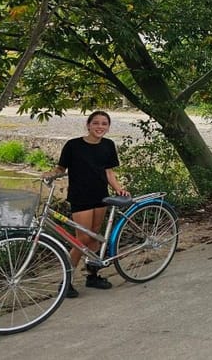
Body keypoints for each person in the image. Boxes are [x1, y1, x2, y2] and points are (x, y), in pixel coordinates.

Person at [45, 111, 129, 298]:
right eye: (96, 123)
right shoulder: (73, 145)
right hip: (80, 196)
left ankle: (93, 275)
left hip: (100, 196)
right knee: (81, 239)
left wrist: (118, 189)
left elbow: (109, 173)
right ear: (88, 125)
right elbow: (61, 168)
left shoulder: (108, 145)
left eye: (104, 124)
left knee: (94, 236)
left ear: (108, 127)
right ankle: (66, 281)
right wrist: (51, 174)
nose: (100, 127)